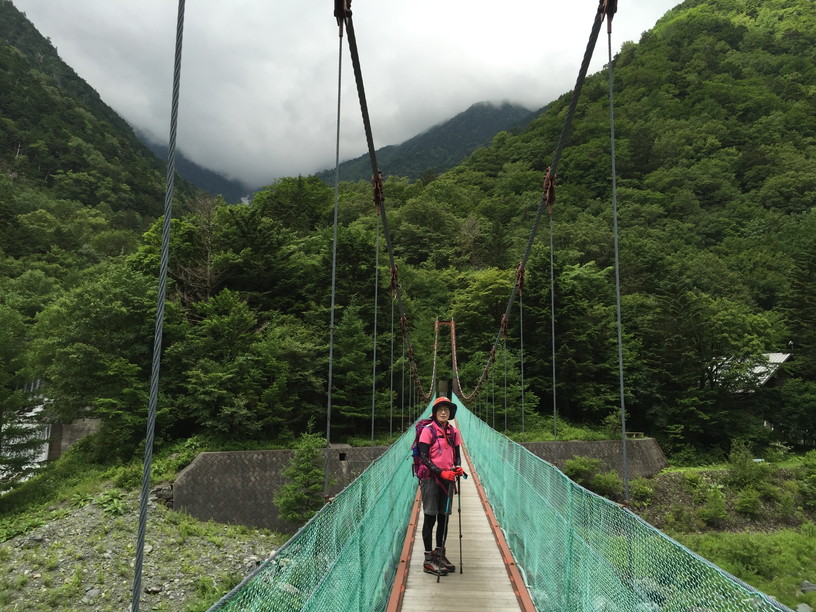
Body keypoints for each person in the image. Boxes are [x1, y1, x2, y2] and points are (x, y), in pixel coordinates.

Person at [417, 396, 464, 576]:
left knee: (444, 518)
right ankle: (428, 560)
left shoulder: (453, 432)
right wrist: (440, 472)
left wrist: (458, 467)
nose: (443, 412)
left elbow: (457, 454)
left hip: (448, 479)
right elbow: (424, 458)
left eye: (446, 409)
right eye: (440, 410)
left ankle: (440, 554)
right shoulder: (428, 431)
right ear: (435, 413)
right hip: (431, 479)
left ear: (451, 413)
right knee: (430, 518)